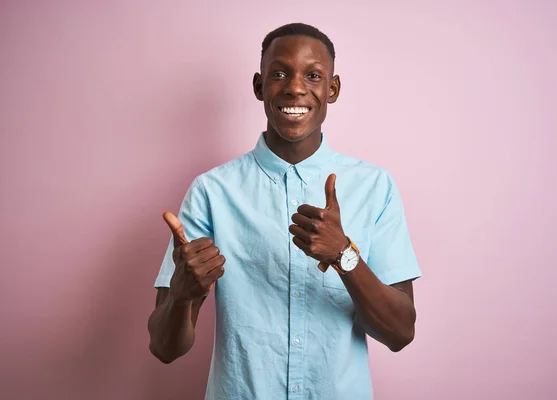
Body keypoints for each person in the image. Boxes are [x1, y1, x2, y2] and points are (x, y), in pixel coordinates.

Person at [147, 22, 422, 400]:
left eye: (313, 75)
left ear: (332, 89)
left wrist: (345, 256)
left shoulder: (375, 188)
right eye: (279, 73)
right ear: (259, 86)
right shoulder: (212, 192)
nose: (294, 87)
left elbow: (400, 333)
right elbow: (164, 349)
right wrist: (181, 295)